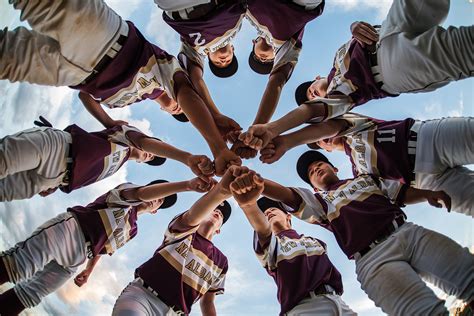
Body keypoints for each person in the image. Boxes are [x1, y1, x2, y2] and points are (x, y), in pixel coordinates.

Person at [0, 0, 241, 174]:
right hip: (105, 38)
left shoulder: (128, 101)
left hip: (70, 74)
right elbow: (187, 91)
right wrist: (218, 148)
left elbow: (87, 97)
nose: (180, 109)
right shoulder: (166, 72)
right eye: (185, 110)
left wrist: (108, 122)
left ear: (166, 112)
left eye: (178, 113)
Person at [260, 150, 474, 315]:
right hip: (373, 259)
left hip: (407, 233)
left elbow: (399, 192)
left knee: (468, 276)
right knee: (424, 312)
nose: (315, 168)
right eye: (310, 172)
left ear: (334, 167)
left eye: (319, 163)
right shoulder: (319, 203)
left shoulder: (365, 179)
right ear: (313, 187)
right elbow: (288, 196)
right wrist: (257, 182)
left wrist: (426, 193)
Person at [0, 177, 213, 315]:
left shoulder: (132, 229)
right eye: (158, 194)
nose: (157, 200)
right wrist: (185, 185)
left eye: (160, 201)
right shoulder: (128, 191)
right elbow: (139, 194)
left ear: (156, 211)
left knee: (32, 294)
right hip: (71, 230)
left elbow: (102, 248)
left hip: (81, 255)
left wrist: (89, 270)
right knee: (17, 266)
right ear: (149, 188)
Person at [256, 113, 474, 217]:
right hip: (424, 179)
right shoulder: (359, 176)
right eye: (321, 144)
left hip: (427, 139)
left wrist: (288, 140)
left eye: (321, 136)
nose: (324, 140)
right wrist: (426, 194)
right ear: (328, 149)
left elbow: (330, 125)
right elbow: (395, 194)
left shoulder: (354, 127)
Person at [112, 166, 248, 316]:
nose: (218, 211)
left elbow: (208, 301)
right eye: (214, 208)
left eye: (222, 215)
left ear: (218, 230)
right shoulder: (183, 231)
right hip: (144, 297)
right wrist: (220, 192)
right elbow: (191, 217)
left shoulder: (221, 262)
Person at [294, 0, 473, 111]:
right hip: (391, 70)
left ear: (316, 78)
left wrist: (354, 26)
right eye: (312, 99)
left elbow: (358, 35)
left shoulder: (337, 57)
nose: (313, 95)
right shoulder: (335, 100)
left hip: (387, 31)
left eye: (310, 90)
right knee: (466, 47)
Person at [230, 172, 356, 315]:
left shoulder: (315, 242)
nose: (268, 212)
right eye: (264, 212)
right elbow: (262, 230)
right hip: (304, 308)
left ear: (289, 218)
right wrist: (249, 206)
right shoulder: (273, 245)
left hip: (337, 301)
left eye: (273, 208)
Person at [0, 121, 214, 201]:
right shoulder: (123, 136)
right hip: (57, 148)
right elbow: (144, 142)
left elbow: (85, 172)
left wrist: (58, 184)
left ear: (141, 164)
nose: (151, 156)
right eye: (154, 152)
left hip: (53, 179)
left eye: (151, 159)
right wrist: (187, 158)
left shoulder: (115, 168)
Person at [229, 0, 325, 159]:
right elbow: (276, 83)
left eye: (259, 58)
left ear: (253, 43)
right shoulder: (285, 46)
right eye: (267, 61)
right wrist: (257, 129)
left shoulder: (246, 15)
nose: (264, 58)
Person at [155, 0, 246, 138]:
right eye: (228, 61)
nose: (223, 61)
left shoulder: (196, 51)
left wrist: (215, 114)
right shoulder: (237, 26)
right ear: (232, 49)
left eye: (218, 64)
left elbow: (197, 79)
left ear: (207, 57)